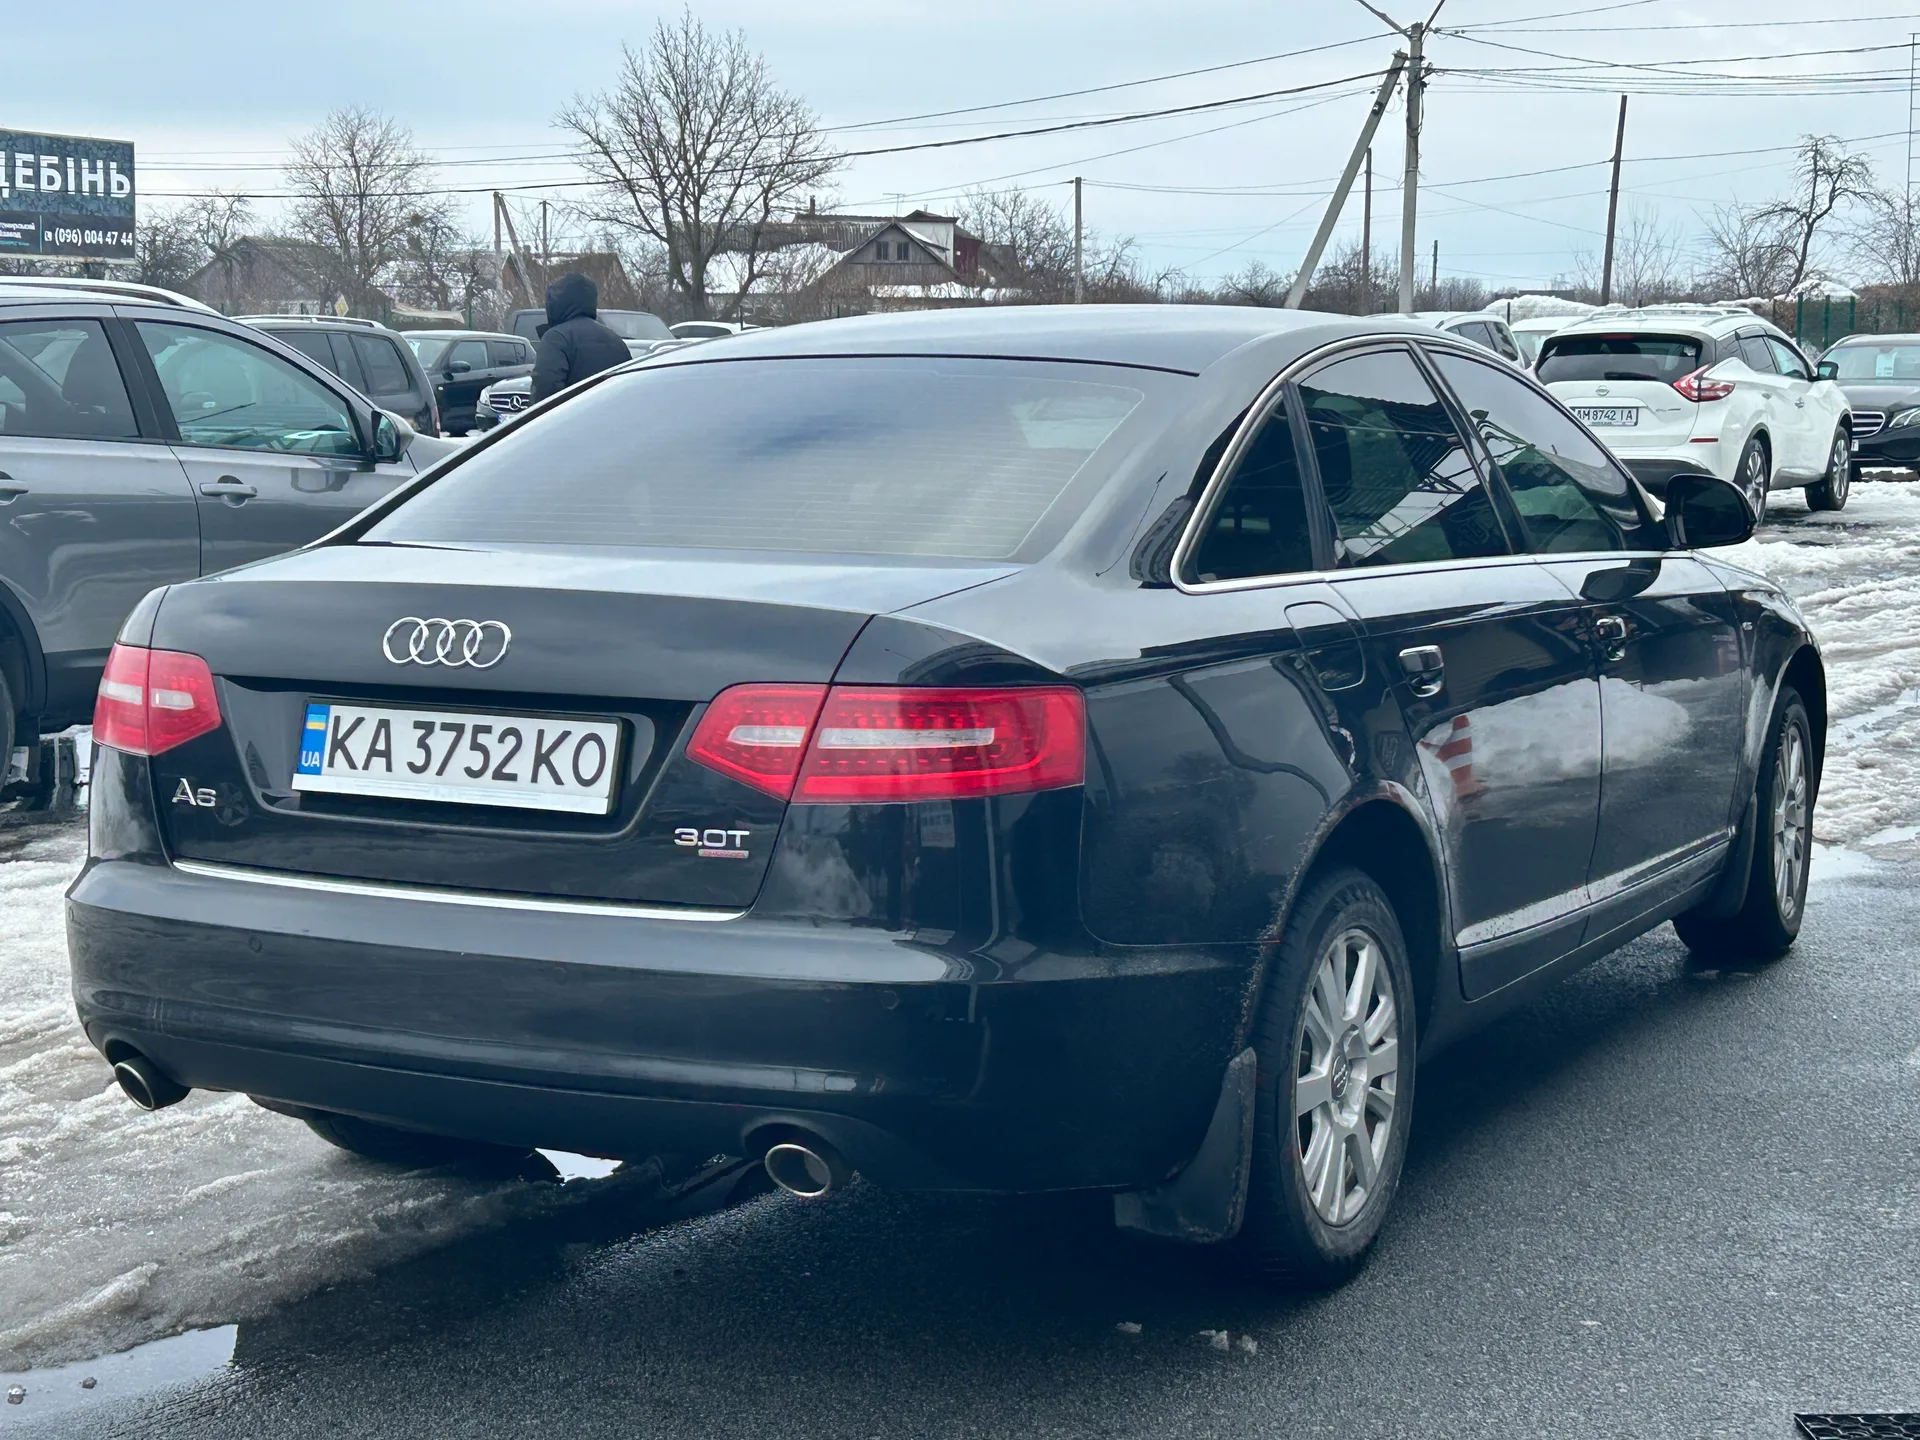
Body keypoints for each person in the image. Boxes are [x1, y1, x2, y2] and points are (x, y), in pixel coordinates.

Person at [529, 272, 631, 402]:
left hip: (572, 413)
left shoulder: (556, 338)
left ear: (559, 303)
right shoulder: (615, 339)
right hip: (611, 412)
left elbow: (545, 390)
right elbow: (628, 386)